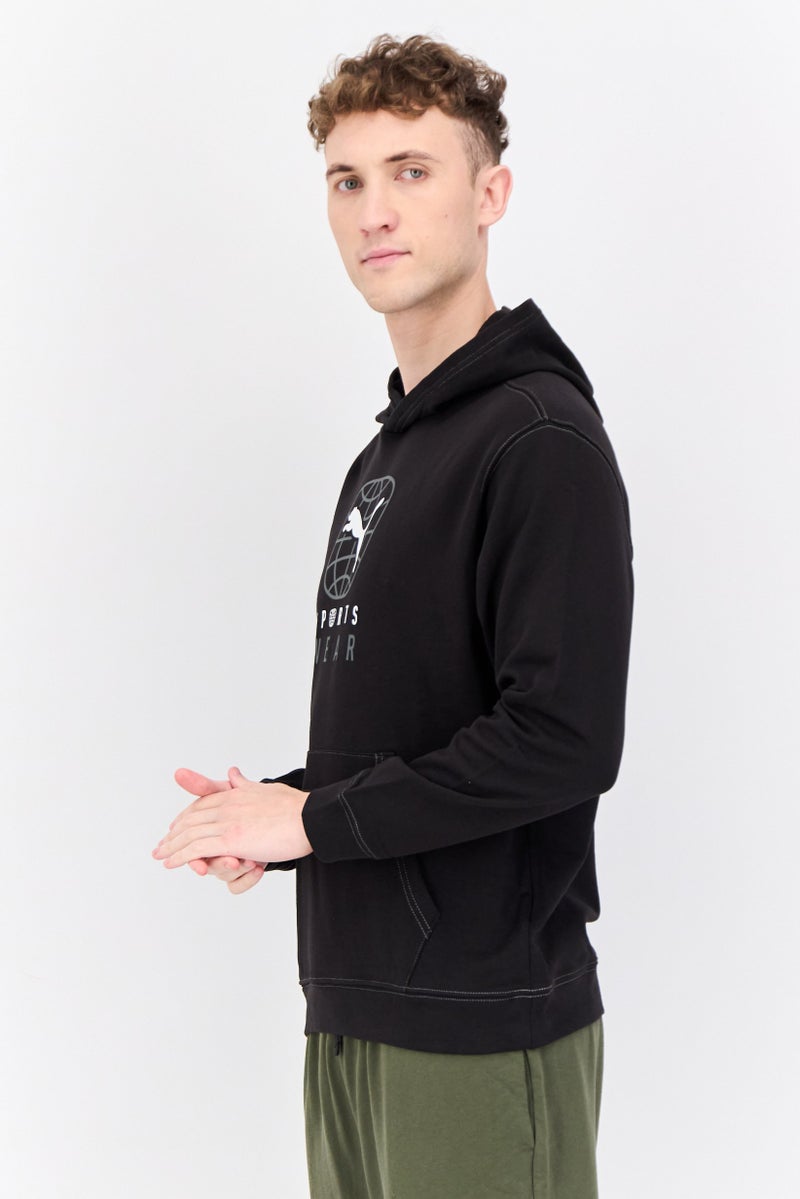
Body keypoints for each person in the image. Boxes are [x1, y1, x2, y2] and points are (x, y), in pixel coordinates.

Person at [153, 33, 634, 1198]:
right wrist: (280, 812)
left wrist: (315, 821)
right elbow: (423, 730)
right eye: (347, 179)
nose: (374, 210)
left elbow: (561, 738)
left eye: (412, 171)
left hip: (478, 1025)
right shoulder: (387, 458)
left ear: (489, 194)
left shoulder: (537, 440)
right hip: (352, 1007)